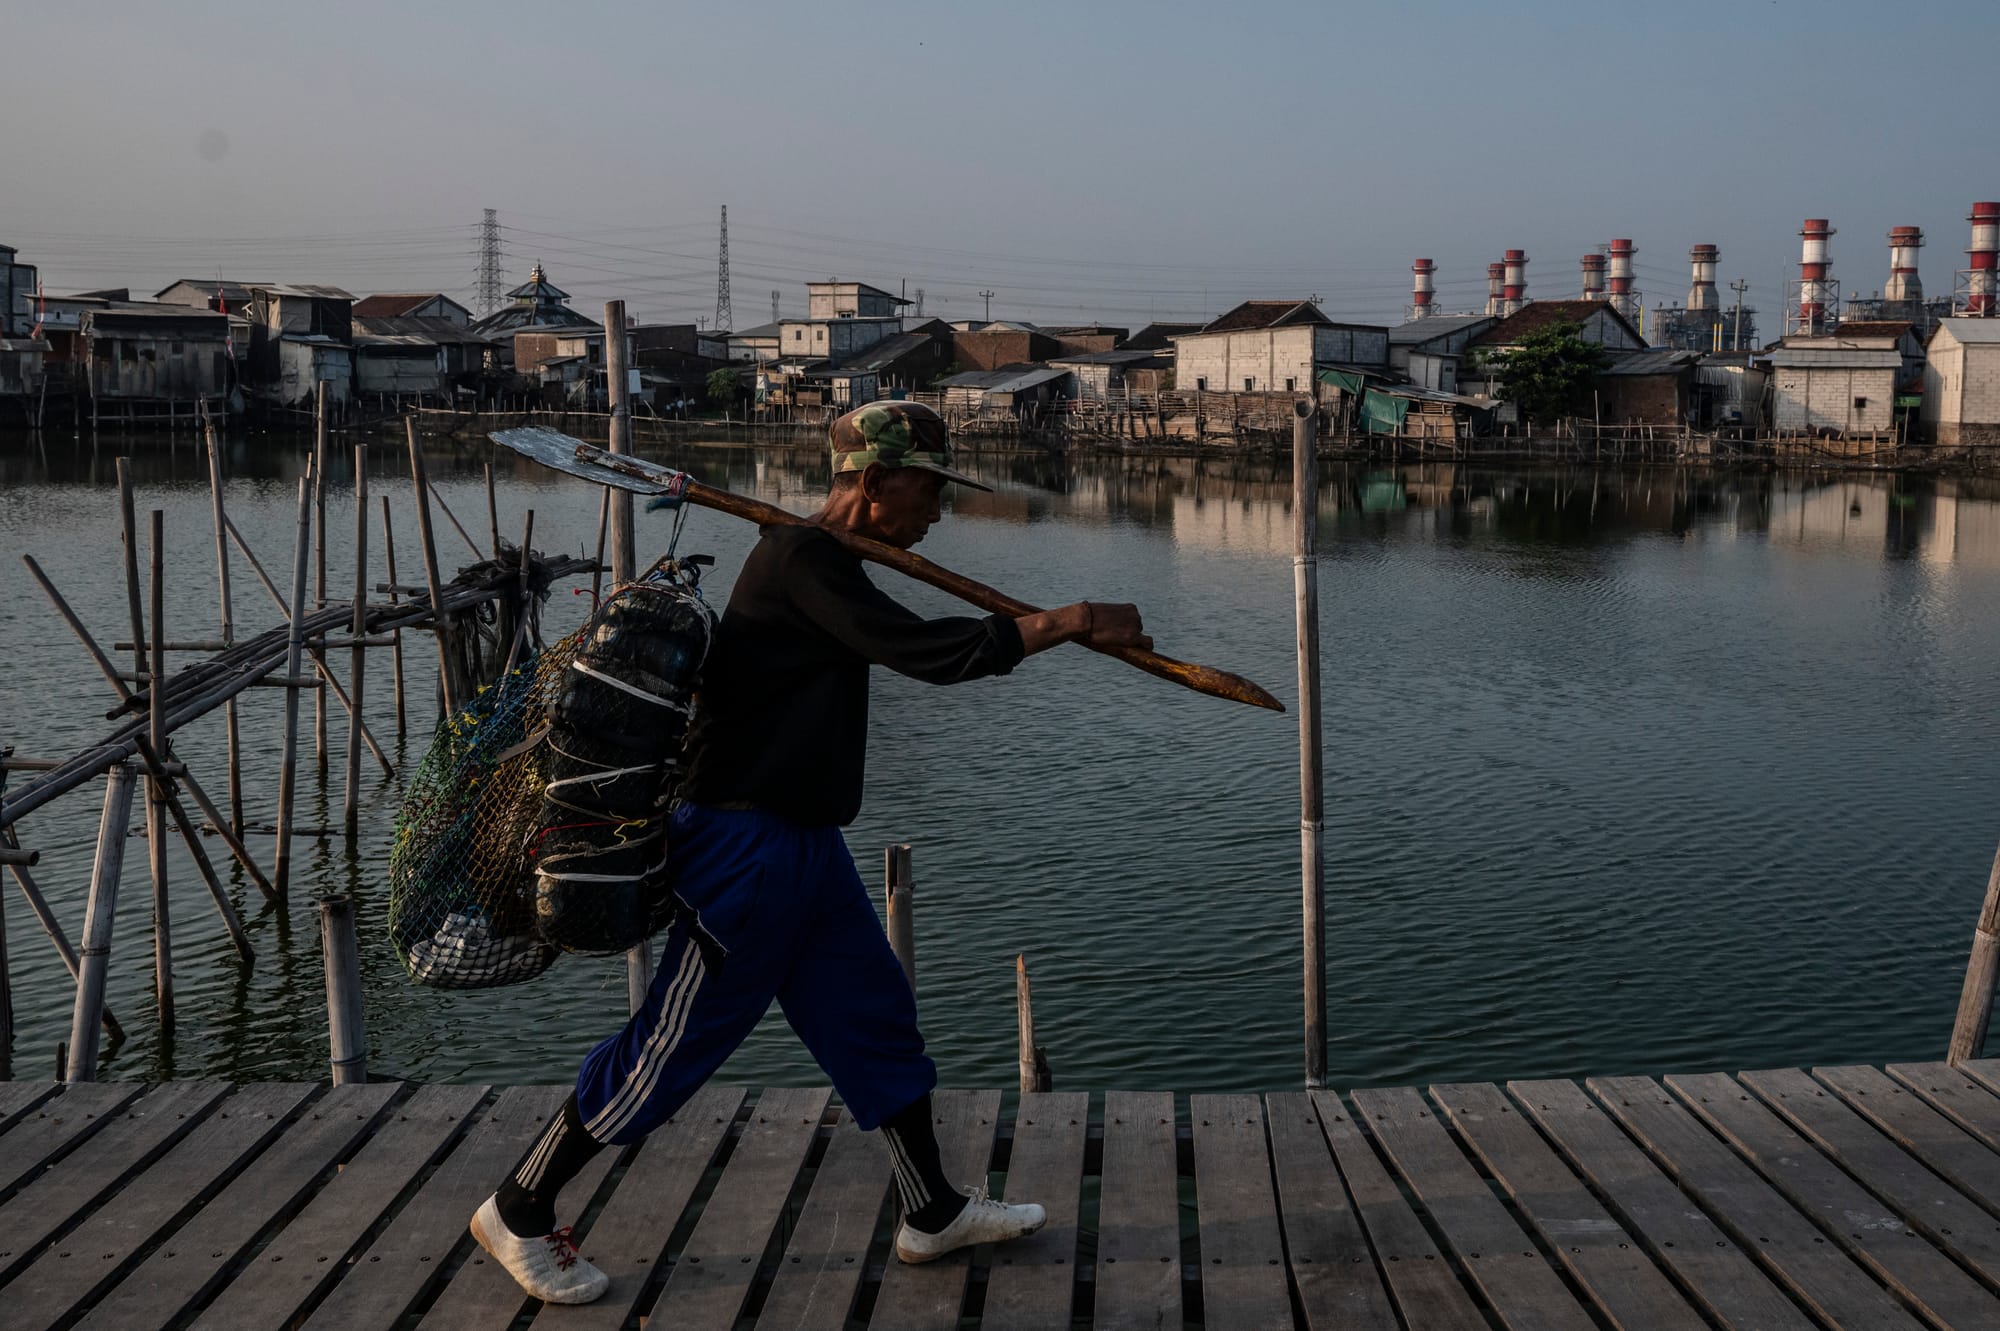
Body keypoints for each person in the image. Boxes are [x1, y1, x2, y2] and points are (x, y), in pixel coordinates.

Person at [470, 401, 1152, 1304]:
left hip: (806, 844)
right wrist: (1070, 620)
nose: (938, 512)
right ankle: (519, 1207)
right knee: (670, 1047)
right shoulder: (799, 562)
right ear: (874, 483)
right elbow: (925, 652)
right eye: (928, 488)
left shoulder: (828, 560)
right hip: (743, 850)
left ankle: (931, 1209)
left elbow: (912, 643)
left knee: (873, 1018)